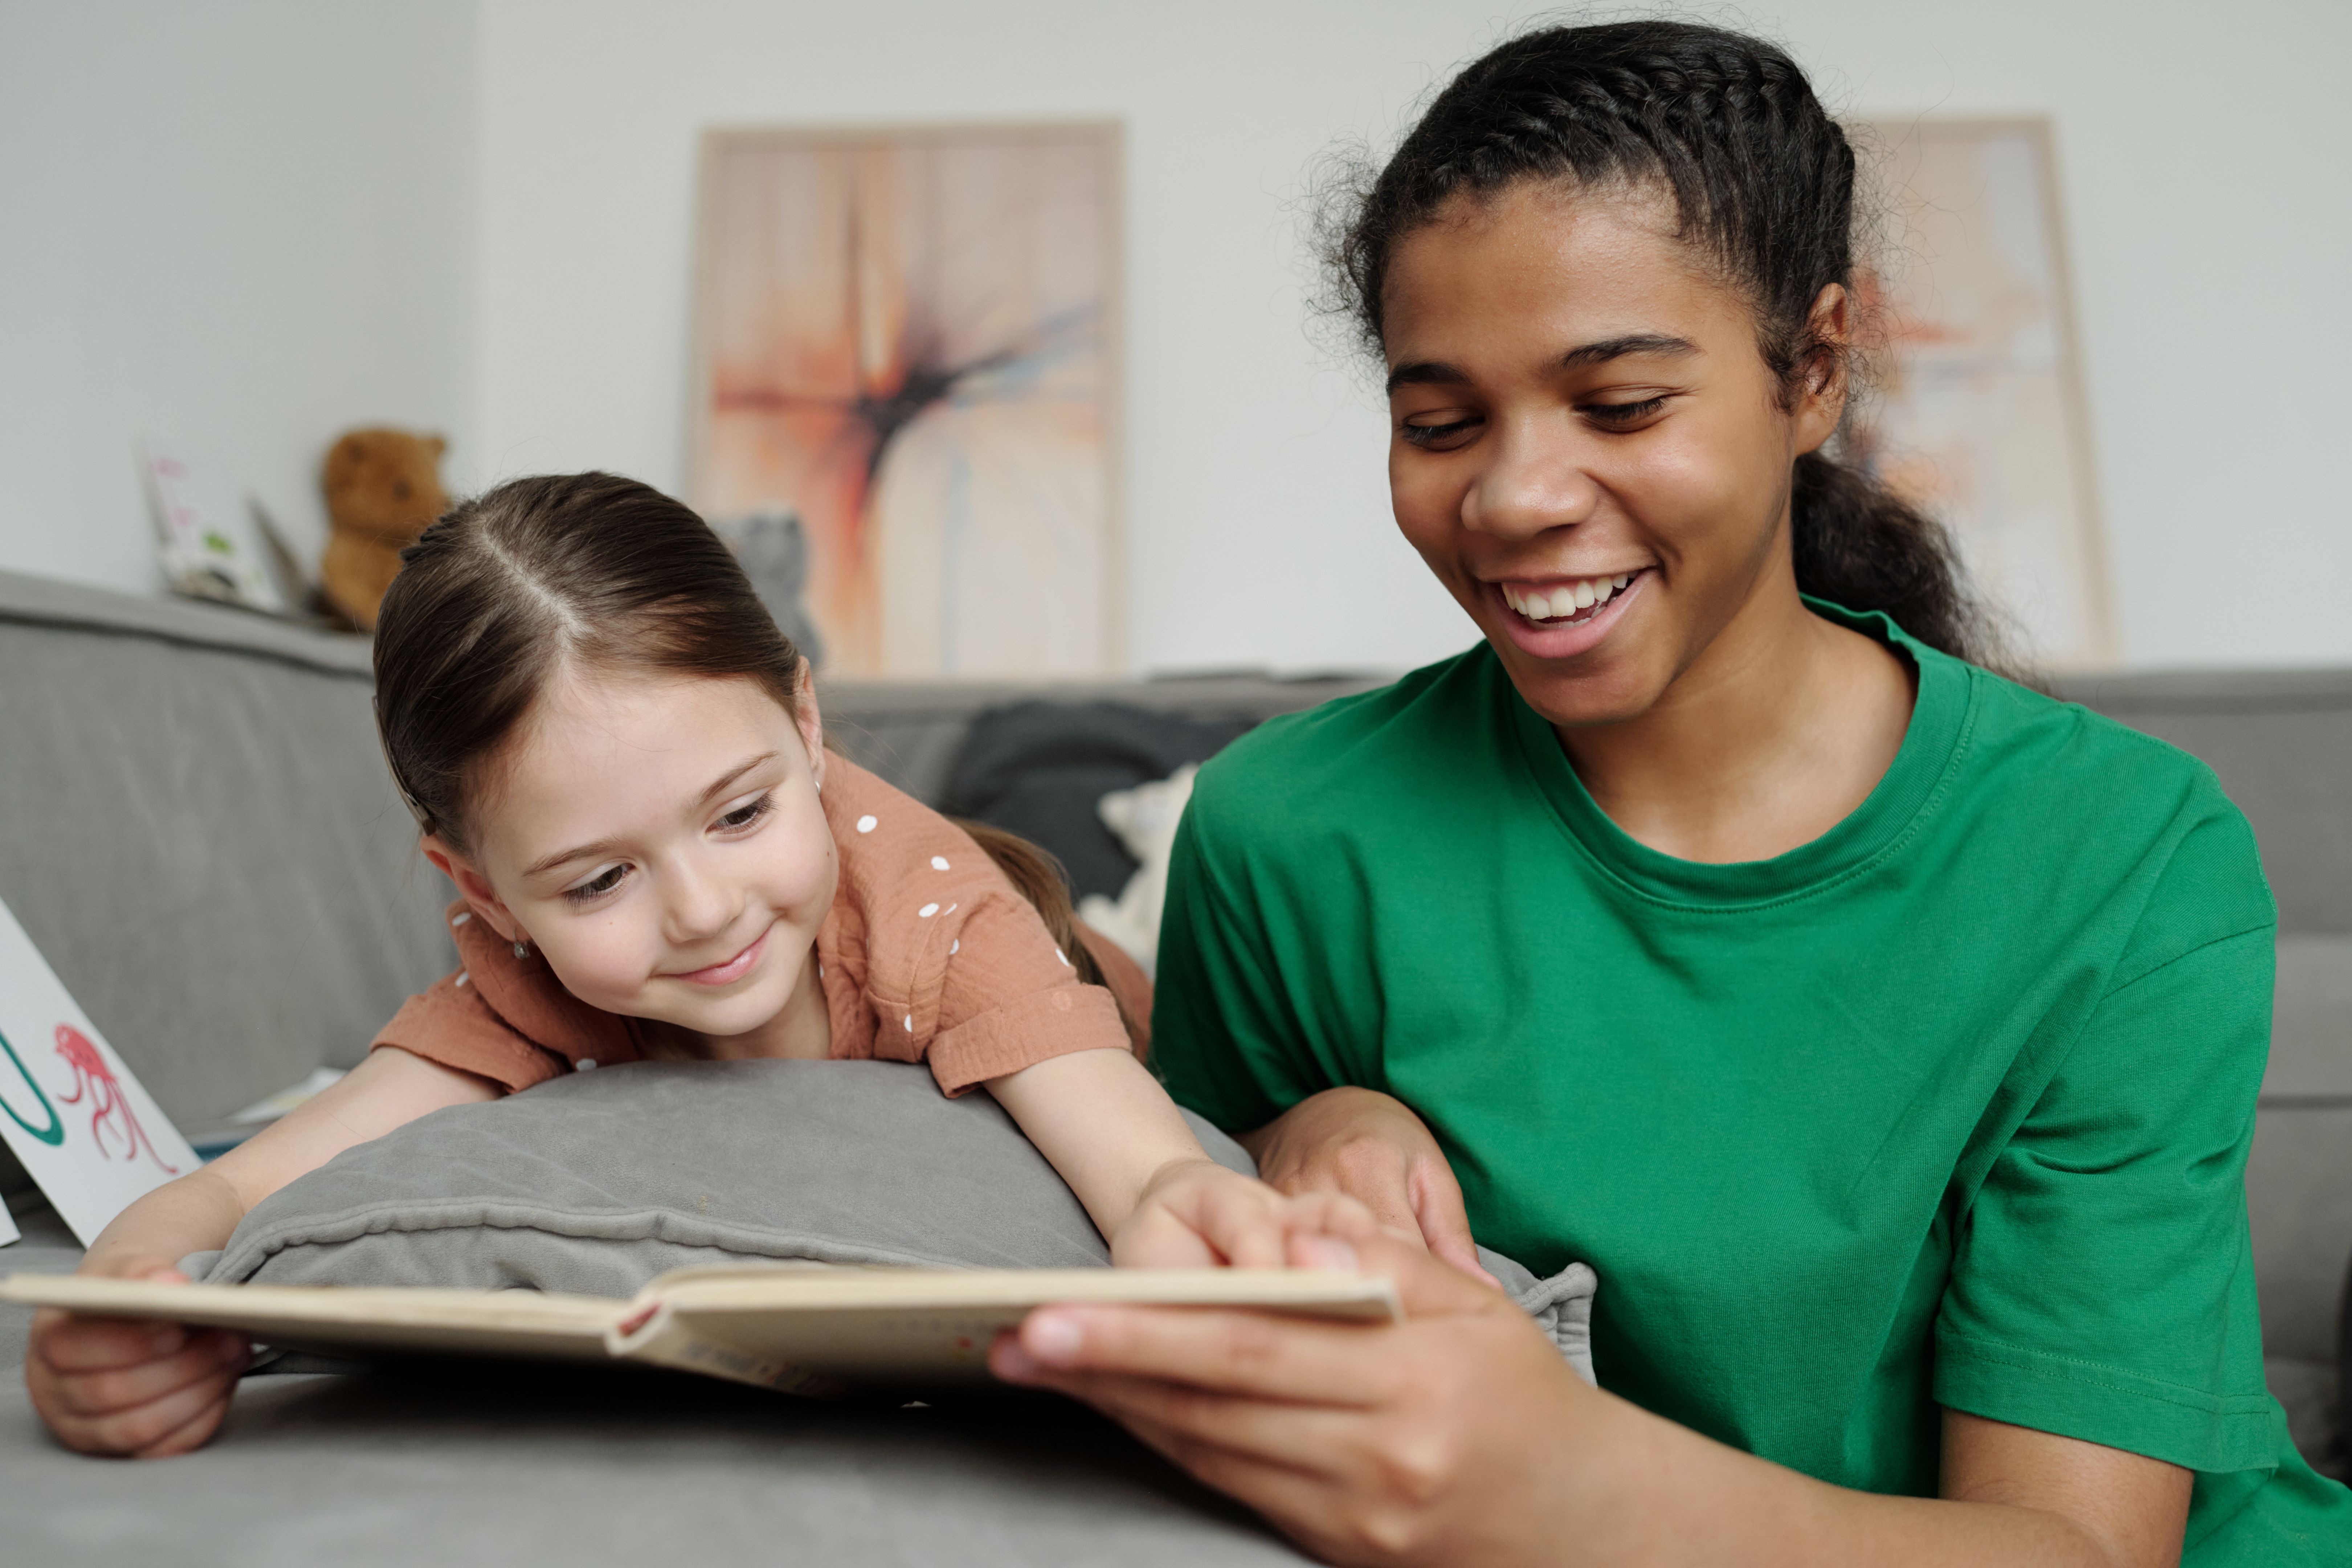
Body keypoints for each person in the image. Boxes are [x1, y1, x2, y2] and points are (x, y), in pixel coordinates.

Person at [989, 20, 2352, 1566]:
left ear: (1815, 369)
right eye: (1439, 422)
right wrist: (1314, 1125)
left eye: (1622, 406)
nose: (1513, 497)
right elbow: (1210, 1269)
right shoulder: (1285, 837)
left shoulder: (2124, 859)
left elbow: (2075, 1551)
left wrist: (1560, 1479)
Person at [28, 472, 1341, 1459]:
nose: (705, 912)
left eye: (741, 812)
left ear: (808, 722)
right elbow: (235, 1187)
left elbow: (1147, 1168)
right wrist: (121, 1299)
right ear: (483, 891)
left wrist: (1192, 1215)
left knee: (1093, 852)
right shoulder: (522, 984)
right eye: (598, 881)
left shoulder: (945, 924)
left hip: (1061, 944)